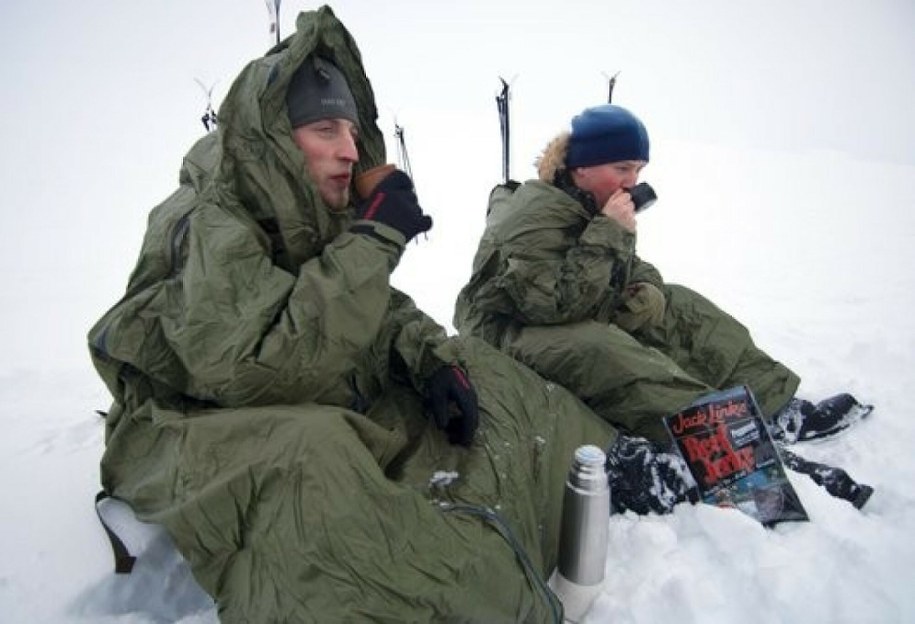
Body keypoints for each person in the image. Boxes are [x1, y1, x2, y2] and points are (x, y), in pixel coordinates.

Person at [88, 8, 693, 622]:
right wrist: (373, 239)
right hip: (191, 422)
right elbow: (257, 369)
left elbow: (380, 308)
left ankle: (596, 471)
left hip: (319, 384)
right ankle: (479, 585)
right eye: (326, 128)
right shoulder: (212, 221)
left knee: (479, 367)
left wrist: (430, 357)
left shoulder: (307, 209)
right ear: (271, 139)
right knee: (320, 470)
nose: (350, 151)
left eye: (352, 133)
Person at [453, 103, 874, 511]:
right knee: (602, 350)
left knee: (683, 308)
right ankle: (733, 454)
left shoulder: (590, 204)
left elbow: (632, 267)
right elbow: (548, 304)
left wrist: (646, 291)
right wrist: (608, 231)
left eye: (638, 169)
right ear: (581, 167)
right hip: (507, 332)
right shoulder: (532, 217)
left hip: (569, 303)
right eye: (622, 168)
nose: (632, 180)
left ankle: (774, 409)